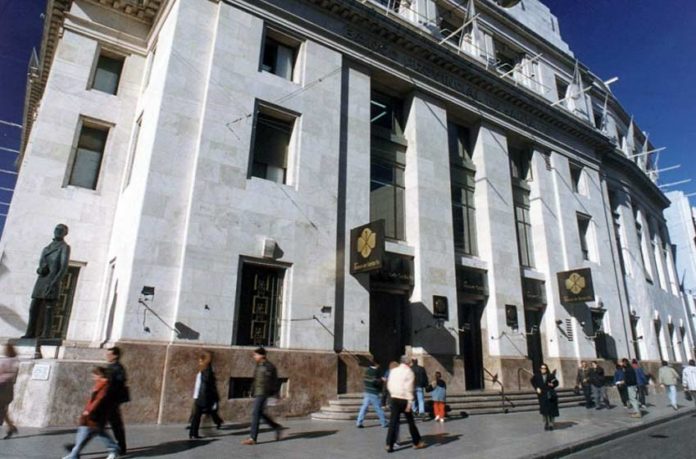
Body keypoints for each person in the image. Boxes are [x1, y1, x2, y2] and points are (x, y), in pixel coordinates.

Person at [22, 223, 71, 339]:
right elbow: (40, 265)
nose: (58, 231)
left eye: (61, 230)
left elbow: (63, 268)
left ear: (65, 233)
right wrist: (40, 269)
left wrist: (54, 283)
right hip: (41, 281)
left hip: (52, 282)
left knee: (49, 309)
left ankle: (46, 334)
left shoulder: (64, 247)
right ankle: (30, 333)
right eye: (57, 229)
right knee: (33, 308)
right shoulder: (46, 248)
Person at [63, 367, 120, 459]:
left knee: (85, 434)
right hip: (94, 415)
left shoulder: (105, 386)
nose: (93, 377)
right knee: (97, 433)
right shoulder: (100, 385)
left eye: (95, 375)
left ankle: (74, 455)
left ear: (100, 375)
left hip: (95, 415)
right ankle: (114, 449)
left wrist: (89, 411)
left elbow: (99, 400)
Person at [241, 347, 285, 445]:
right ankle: (276, 427)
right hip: (258, 392)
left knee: (255, 413)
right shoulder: (258, 365)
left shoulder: (269, 366)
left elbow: (274, 381)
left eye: (255, 355)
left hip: (263, 393)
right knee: (260, 413)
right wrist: (252, 390)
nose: (254, 357)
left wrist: (274, 393)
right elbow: (256, 379)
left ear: (262, 355)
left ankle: (253, 438)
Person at [385, 356, 425, 453]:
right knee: (411, 422)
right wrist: (410, 402)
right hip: (404, 399)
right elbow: (409, 388)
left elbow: (389, 384)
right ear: (408, 363)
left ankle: (389, 444)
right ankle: (416, 442)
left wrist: (393, 393)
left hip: (394, 398)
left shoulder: (394, 371)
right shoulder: (409, 372)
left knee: (393, 422)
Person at [189, 351, 224, 438]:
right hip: (202, 395)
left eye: (200, 360)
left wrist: (198, 396)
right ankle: (194, 433)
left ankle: (193, 433)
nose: (199, 361)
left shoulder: (205, 371)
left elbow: (204, 385)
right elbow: (203, 384)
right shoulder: (206, 370)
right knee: (198, 415)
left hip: (202, 395)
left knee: (197, 415)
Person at [105, 347, 129, 454]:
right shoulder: (112, 367)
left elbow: (119, 383)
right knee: (114, 425)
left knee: (113, 425)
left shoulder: (117, 368)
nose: (107, 356)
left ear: (115, 355)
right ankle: (120, 446)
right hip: (109, 401)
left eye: (109, 354)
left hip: (111, 401)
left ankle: (120, 447)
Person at [356, 361, 387, 428]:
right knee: (378, 408)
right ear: (376, 364)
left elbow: (366, 380)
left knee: (364, 407)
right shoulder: (375, 372)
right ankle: (383, 422)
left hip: (367, 391)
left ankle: (359, 422)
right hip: (373, 392)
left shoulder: (367, 371)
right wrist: (381, 380)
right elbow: (374, 382)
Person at [0, 343, 19, 439]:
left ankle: (11, 427)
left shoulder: (4, 361)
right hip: (9, 388)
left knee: (2, 410)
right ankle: (11, 427)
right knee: (3, 410)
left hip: (2, 387)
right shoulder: (16, 361)